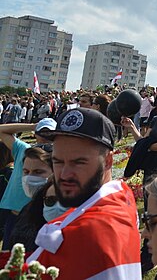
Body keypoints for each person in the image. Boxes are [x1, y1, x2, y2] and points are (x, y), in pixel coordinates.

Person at [28, 108, 141, 279]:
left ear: (108, 161)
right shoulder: (120, 196)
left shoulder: (86, 234)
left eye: (78, 163)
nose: (64, 174)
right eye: (57, 162)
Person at [0, 117, 56, 248]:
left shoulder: (56, 155)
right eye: (42, 132)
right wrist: (32, 126)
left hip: (40, 216)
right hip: (16, 213)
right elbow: (2, 130)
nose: (46, 136)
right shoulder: (23, 150)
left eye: (50, 133)